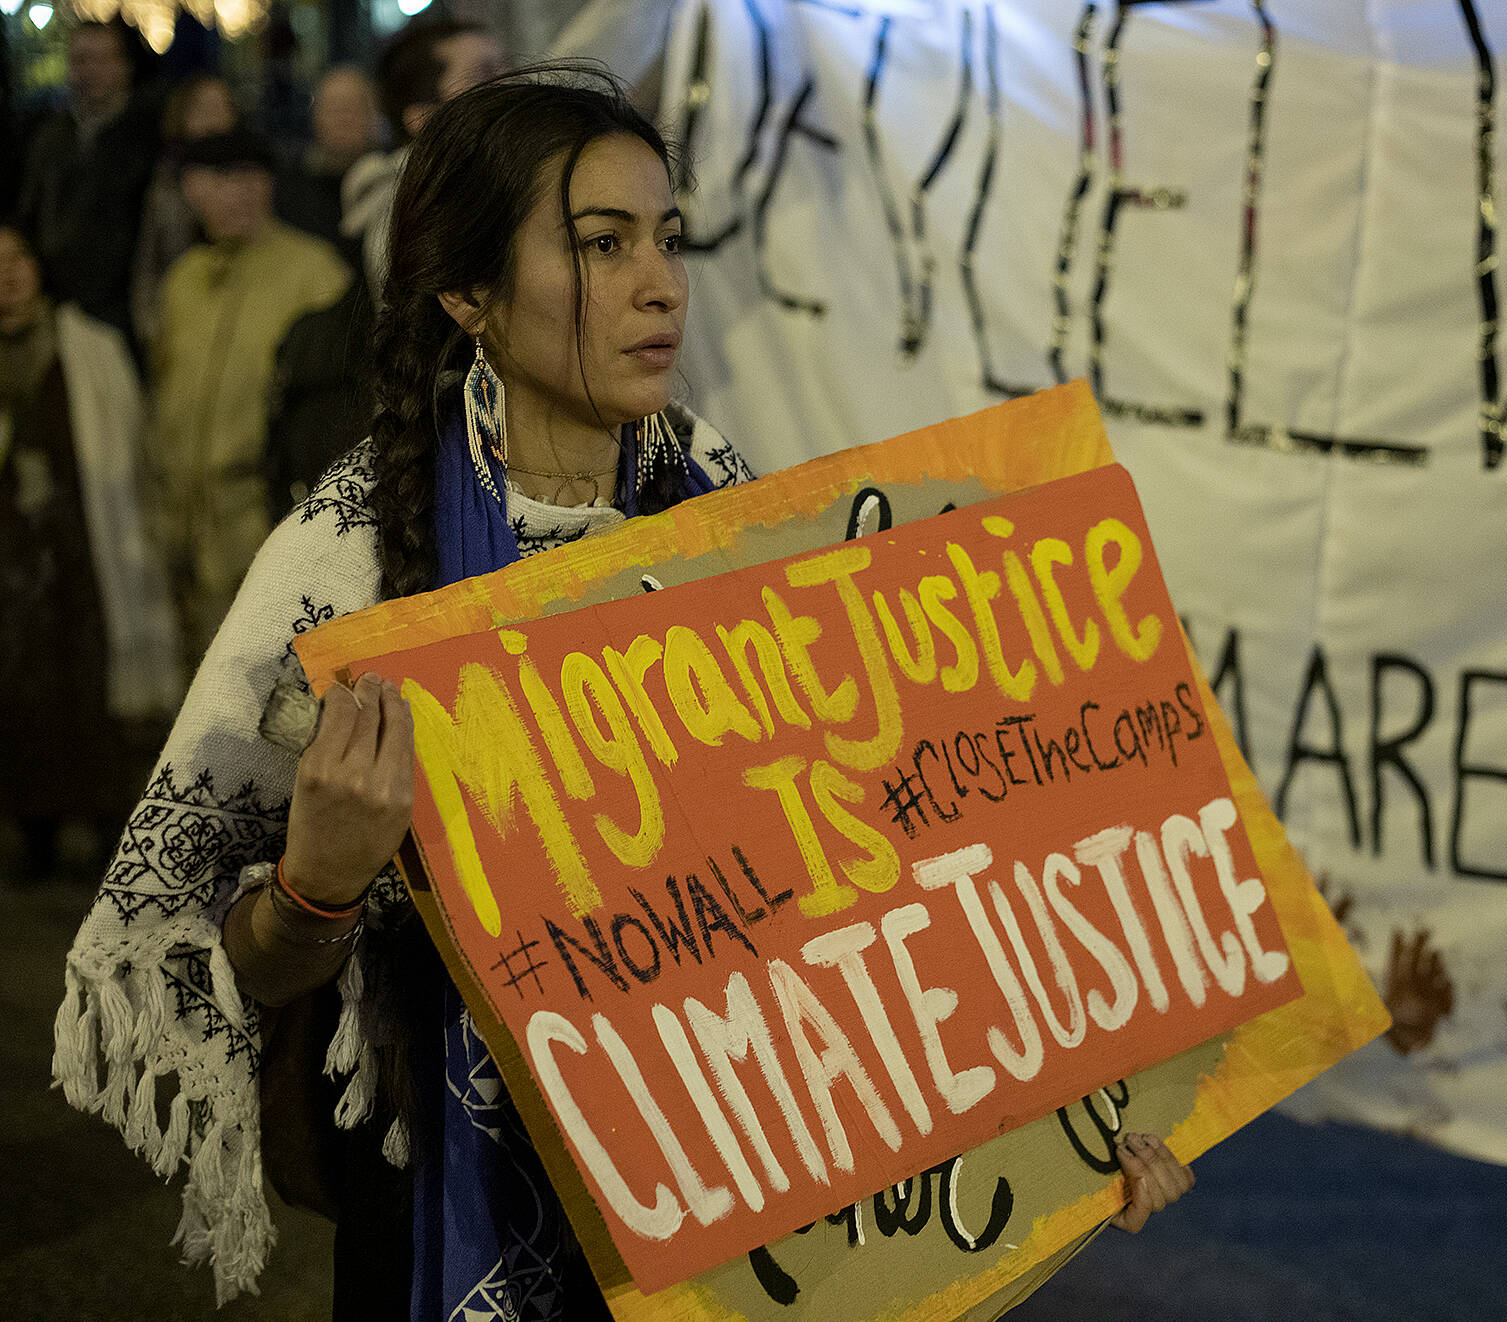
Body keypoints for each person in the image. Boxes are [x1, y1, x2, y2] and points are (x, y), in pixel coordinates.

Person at [55, 67, 1188, 1320]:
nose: (661, 283)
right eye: (601, 244)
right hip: (452, 1198)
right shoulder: (350, 567)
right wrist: (317, 889)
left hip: (731, 1194)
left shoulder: (737, 517)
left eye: (667, 238)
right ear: (467, 293)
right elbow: (180, 946)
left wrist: (1064, 1130)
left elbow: (883, 874)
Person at [0, 223, 182, 882]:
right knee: (19, 696)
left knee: (94, 690)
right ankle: (33, 830)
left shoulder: (92, 349)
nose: (9, 276)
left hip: (86, 550)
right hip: (12, 567)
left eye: (17, 259)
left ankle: (108, 824)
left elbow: (133, 451)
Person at [149, 127, 351, 655]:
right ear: (193, 189)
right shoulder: (185, 280)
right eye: (220, 178)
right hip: (186, 526)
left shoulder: (315, 273)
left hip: (267, 520)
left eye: (251, 176)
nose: (239, 191)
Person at [14, 20, 161, 346]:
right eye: (81, 60)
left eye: (101, 60)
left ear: (124, 67)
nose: (89, 71)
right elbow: (31, 212)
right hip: (57, 308)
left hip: (119, 314)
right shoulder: (50, 137)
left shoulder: (147, 137)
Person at [341, 17, 504, 303]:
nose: (511, 82)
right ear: (423, 117)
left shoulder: (507, 176)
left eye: (507, 65)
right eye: (485, 75)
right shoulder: (407, 210)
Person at [131, 72, 240, 351]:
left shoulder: (250, 179)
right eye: (203, 109)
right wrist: (153, 333)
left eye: (221, 108)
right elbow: (149, 264)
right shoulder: (164, 185)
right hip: (179, 324)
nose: (213, 119)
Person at [275, 65, 380, 268]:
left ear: (373, 117)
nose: (343, 120)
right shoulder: (289, 187)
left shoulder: (393, 181)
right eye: (333, 110)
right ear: (316, 117)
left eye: (353, 109)